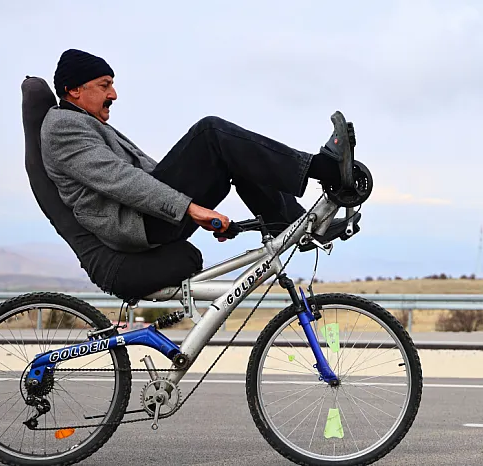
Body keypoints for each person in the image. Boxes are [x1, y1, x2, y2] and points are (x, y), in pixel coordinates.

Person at [39, 48, 350, 297]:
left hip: (149, 217)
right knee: (210, 132)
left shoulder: (84, 122)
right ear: (74, 90)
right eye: (105, 85)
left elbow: (146, 172)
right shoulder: (63, 127)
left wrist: (203, 213)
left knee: (235, 154)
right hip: (136, 224)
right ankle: (322, 169)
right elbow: (122, 180)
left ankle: (295, 224)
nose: (115, 94)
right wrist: (192, 209)